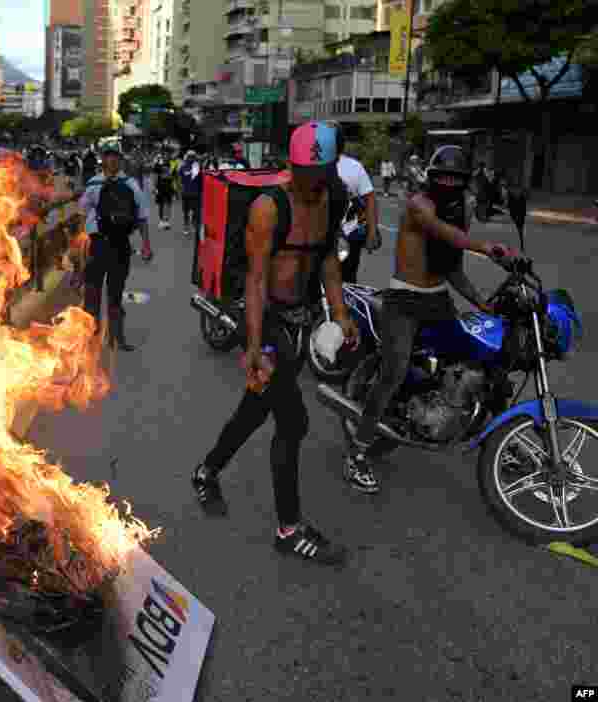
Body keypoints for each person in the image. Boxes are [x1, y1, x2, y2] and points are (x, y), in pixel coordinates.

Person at [191, 121, 356, 566]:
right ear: (292, 166)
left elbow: (326, 262)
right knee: (294, 420)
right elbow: (256, 278)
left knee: (255, 408)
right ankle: (289, 528)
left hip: (300, 319)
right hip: (266, 318)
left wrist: (340, 313)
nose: (311, 184)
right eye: (303, 175)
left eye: (319, 176)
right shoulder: (270, 207)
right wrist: (254, 345)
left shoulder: (332, 199)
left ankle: (206, 472)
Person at [343, 145, 516, 494]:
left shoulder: (460, 209)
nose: (449, 183)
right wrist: (488, 248)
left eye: (456, 179)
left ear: (464, 181)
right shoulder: (419, 205)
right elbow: (444, 233)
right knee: (392, 374)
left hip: (436, 300)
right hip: (403, 301)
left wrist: (482, 304)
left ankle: (502, 440)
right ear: (432, 178)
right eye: (443, 177)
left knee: (484, 361)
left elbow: (451, 267)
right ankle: (357, 454)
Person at [78, 143, 152, 351]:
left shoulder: (130, 184)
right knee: (92, 293)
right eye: (108, 156)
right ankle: (91, 338)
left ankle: (117, 337)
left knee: (115, 294)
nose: (111, 160)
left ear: (120, 159)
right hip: (97, 244)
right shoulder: (93, 184)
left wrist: (146, 244)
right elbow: (82, 215)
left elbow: (142, 216)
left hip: (120, 245)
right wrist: (79, 247)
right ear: (102, 159)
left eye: (115, 156)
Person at [331, 125, 380, 283]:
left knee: (347, 280)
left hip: (349, 236)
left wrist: (372, 232)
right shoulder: (312, 165)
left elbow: (370, 198)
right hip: (317, 236)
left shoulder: (354, 167)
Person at [179, 150, 202, 238]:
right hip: (186, 193)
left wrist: (201, 191)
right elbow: (180, 179)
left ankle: (195, 225)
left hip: (196, 193)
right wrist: (180, 189)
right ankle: (186, 226)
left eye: (193, 156)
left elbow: (201, 180)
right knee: (186, 211)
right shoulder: (183, 167)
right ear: (187, 157)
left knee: (196, 211)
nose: (191, 158)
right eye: (190, 156)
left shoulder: (198, 167)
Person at [153, 157, 176, 230]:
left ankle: (167, 221)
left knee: (168, 204)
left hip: (169, 187)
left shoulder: (171, 164)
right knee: (161, 204)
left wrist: (175, 189)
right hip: (160, 187)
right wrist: (154, 187)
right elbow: (155, 177)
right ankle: (161, 221)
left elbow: (173, 177)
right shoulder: (158, 165)